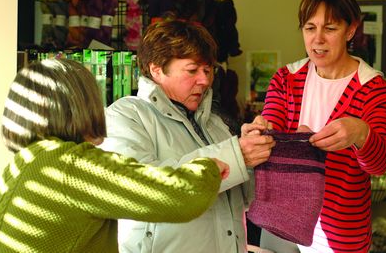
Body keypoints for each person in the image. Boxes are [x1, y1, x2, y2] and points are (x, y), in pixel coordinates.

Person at [0, 58, 231, 253]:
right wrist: (209, 169)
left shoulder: (22, 164)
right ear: (83, 106)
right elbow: (179, 197)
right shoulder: (71, 165)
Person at [100, 19, 275, 253]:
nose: (204, 80)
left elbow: (242, 201)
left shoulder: (214, 123)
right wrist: (238, 155)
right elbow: (141, 190)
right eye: (192, 70)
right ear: (157, 69)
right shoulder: (126, 116)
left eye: (208, 69)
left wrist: (259, 158)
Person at [259, 0, 386, 253]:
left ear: (350, 30)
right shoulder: (286, 79)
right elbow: (270, 123)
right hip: (283, 220)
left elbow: (380, 164)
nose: (317, 39)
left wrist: (361, 133)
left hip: (341, 231)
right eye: (309, 28)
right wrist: (261, 132)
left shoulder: (373, 87)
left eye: (329, 29)